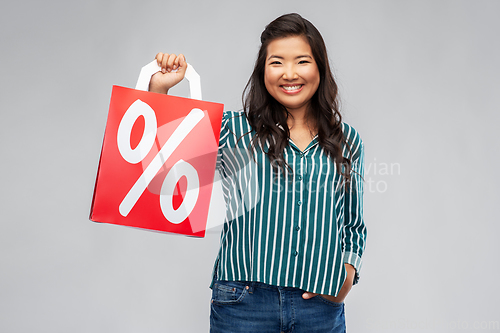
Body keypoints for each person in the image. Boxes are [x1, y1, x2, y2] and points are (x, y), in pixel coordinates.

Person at [149, 13, 366, 333]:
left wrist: (347, 274)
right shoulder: (232, 129)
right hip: (243, 304)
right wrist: (159, 88)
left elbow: (352, 223)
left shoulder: (347, 140)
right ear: (263, 71)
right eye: (277, 62)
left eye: (302, 61)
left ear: (319, 67)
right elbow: (161, 164)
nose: (289, 73)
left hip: (319, 308)